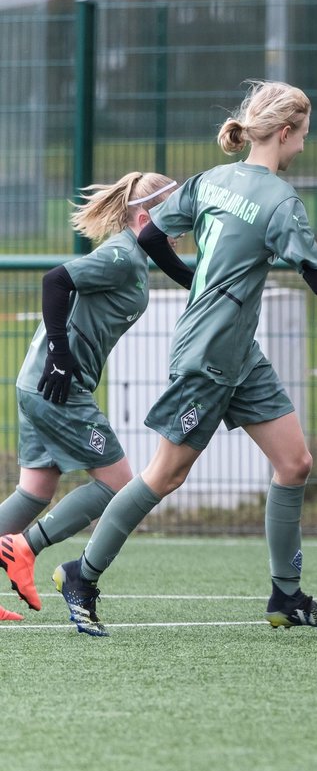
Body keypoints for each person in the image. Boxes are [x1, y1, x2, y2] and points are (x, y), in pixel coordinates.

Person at [52, 80, 317, 637]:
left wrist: (198, 283)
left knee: (295, 463)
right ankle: (82, 574)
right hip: (207, 355)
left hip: (239, 352)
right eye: (304, 138)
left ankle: (286, 597)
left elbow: (150, 238)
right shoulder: (279, 202)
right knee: (163, 476)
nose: (302, 149)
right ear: (286, 132)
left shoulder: (210, 180)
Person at [0, 172, 186, 621]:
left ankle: (20, 545)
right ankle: (25, 549)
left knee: (35, 489)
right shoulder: (123, 256)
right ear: (144, 218)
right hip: (58, 384)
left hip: (37, 382)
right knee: (118, 485)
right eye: (175, 220)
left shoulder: (138, 256)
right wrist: (60, 355)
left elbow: (186, 276)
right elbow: (55, 281)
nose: (181, 230)